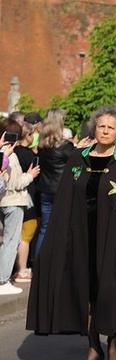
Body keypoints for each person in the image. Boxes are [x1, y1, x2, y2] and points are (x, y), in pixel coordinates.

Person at [27, 105, 116, 360]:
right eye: (101, 126)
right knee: (86, 293)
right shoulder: (78, 159)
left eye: (111, 127)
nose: (105, 130)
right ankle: (93, 346)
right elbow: (66, 198)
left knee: (107, 292)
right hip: (81, 237)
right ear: (94, 128)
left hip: (113, 240)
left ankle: (112, 342)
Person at [0, 120, 40, 295]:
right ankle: (3, 280)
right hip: (14, 201)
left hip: (4, 201)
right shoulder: (11, 155)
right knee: (11, 241)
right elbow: (15, 182)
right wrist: (30, 176)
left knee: (8, 240)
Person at [34, 108, 75, 258]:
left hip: (45, 189)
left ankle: (38, 262)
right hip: (62, 190)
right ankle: (59, 261)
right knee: (63, 227)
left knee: (44, 228)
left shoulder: (42, 144)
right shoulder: (65, 146)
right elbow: (76, 162)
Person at [13, 120, 41, 283]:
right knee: (26, 235)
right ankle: (22, 270)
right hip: (27, 198)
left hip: (18, 198)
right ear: (27, 135)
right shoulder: (28, 155)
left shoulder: (14, 151)